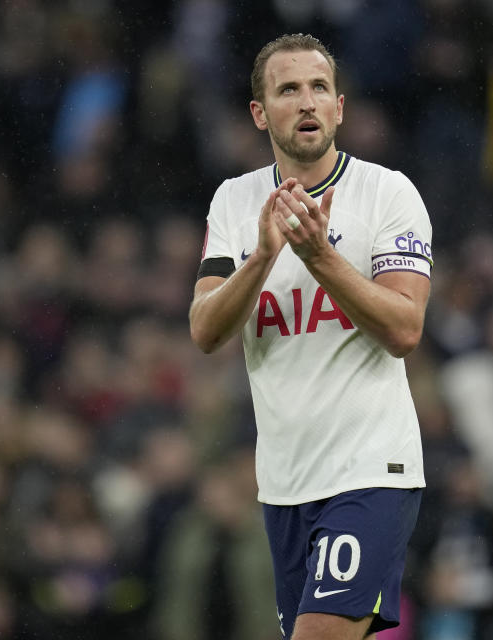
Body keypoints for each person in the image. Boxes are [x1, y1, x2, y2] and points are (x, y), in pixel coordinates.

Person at [189, 33, 433, 640]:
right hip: (284, 482)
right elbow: (205, 329)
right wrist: (263, 256)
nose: (306, 102)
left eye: (319, 88)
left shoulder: (388, 193)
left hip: (371, 468)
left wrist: (320, 257)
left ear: (339, 106)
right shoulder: (234, 202)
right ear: (259, 113)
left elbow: (405, 327)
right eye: (288, 89)